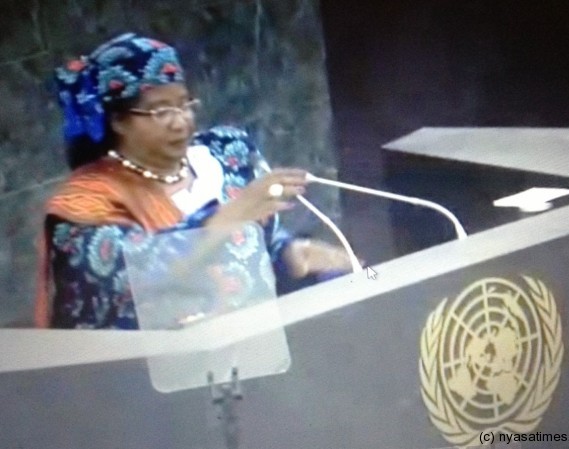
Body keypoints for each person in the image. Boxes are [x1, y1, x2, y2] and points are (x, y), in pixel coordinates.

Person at [34, 32, 355, 329]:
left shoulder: (228, 154)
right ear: (118, 121)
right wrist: (227, 217)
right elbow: (132, 282)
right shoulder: (84, 206)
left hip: (260, 348)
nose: (181, 121)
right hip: (154, 376)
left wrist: (290, 255)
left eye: (184, 103)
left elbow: (261, 244)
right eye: (161, 111)